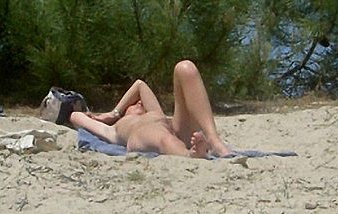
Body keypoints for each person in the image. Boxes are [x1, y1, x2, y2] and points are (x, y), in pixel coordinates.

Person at [69, 60, 233, 158]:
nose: (140, 102)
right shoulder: (114, 129)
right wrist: (111, 117)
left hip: (177, 132)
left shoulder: (155, 113)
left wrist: (115, 111)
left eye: (140, 102)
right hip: (145, 136)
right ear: (125, 113)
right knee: (163, 138)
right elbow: (75, 116)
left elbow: (139, 85)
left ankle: (214, 141)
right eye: (134, 104)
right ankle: (189, 155)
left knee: (185, 68)